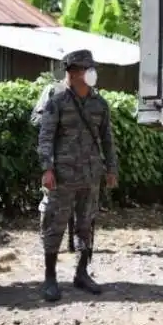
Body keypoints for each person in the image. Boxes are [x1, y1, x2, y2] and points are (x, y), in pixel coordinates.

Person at [37, 49, 118, 302]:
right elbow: (45, 137)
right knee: (54, 225)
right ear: (72, 72)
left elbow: (107, 139)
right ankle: (50, 278)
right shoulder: (57, 100)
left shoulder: (99, 103)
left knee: (86, 225)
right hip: (62, 176)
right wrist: (47, 169)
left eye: (92, 67)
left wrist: (112, 169)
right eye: (86, 68)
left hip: (91, 175)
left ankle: (81, 273)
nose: (91, 72)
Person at [31, 78, 98, 256]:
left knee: (84, 206)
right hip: (57, 161)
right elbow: (36, 120)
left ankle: (77, 246)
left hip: (83, 162)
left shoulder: (91, 93)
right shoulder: (54, 90)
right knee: (51, 201)